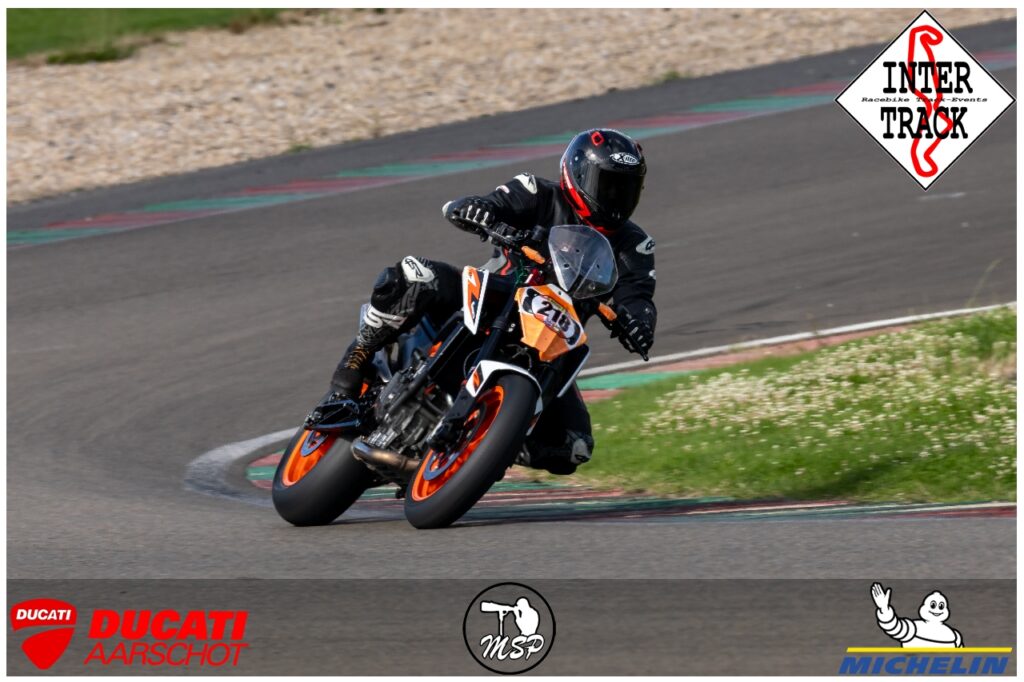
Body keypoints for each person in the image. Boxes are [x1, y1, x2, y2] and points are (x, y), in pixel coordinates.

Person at [326, 128, 657, 474]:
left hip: (552, 341)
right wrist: (479, 211)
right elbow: (487, 204)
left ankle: (486, 446)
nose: (616, 197)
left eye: (627, 188)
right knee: (412, 276)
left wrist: (639, 322)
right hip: (494, 295)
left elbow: (638, 295)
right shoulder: (538, 192)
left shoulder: (634, 245)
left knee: (573, 447)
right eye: (609, 185)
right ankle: (357, 358)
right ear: (577, 174)